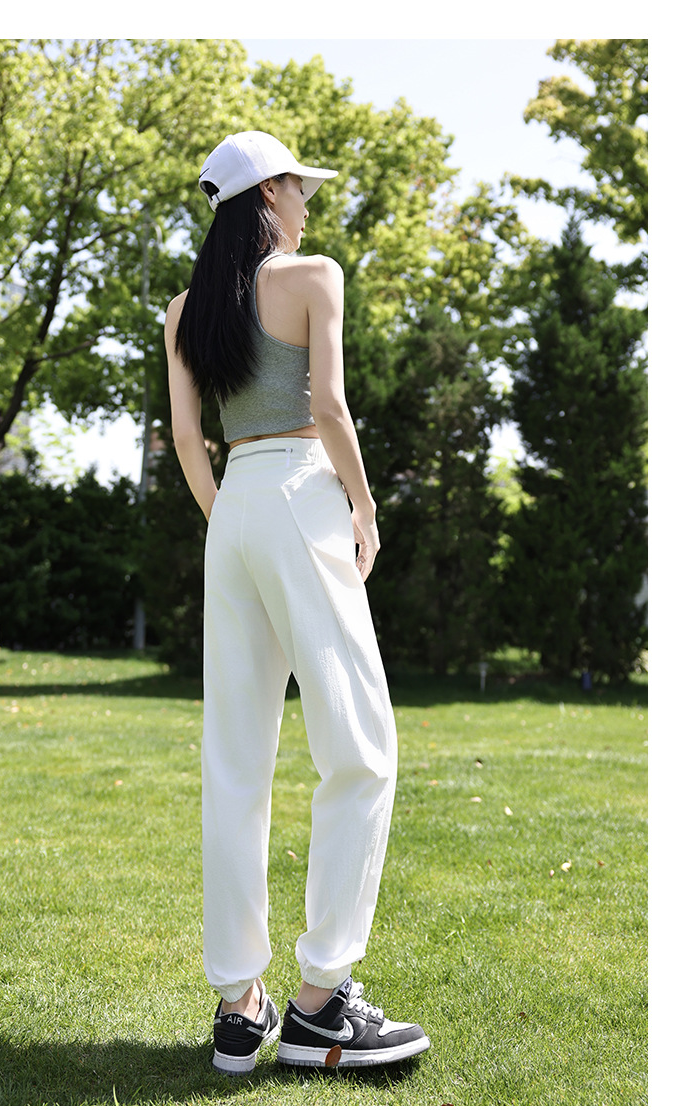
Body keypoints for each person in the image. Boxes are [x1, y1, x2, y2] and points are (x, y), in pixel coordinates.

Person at [164, 130, 430, 1075]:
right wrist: (363, 506)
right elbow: (328, 408)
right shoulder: (315, 275)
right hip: (302, 493)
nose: (308, 205)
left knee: (235, 760)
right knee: (361, 748)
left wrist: (230, 522)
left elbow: (188, 440)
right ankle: (320, 1004)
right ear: (271, 191)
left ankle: (240, 1008)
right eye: (300, 188)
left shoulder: (186, 309)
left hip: (234, 504)